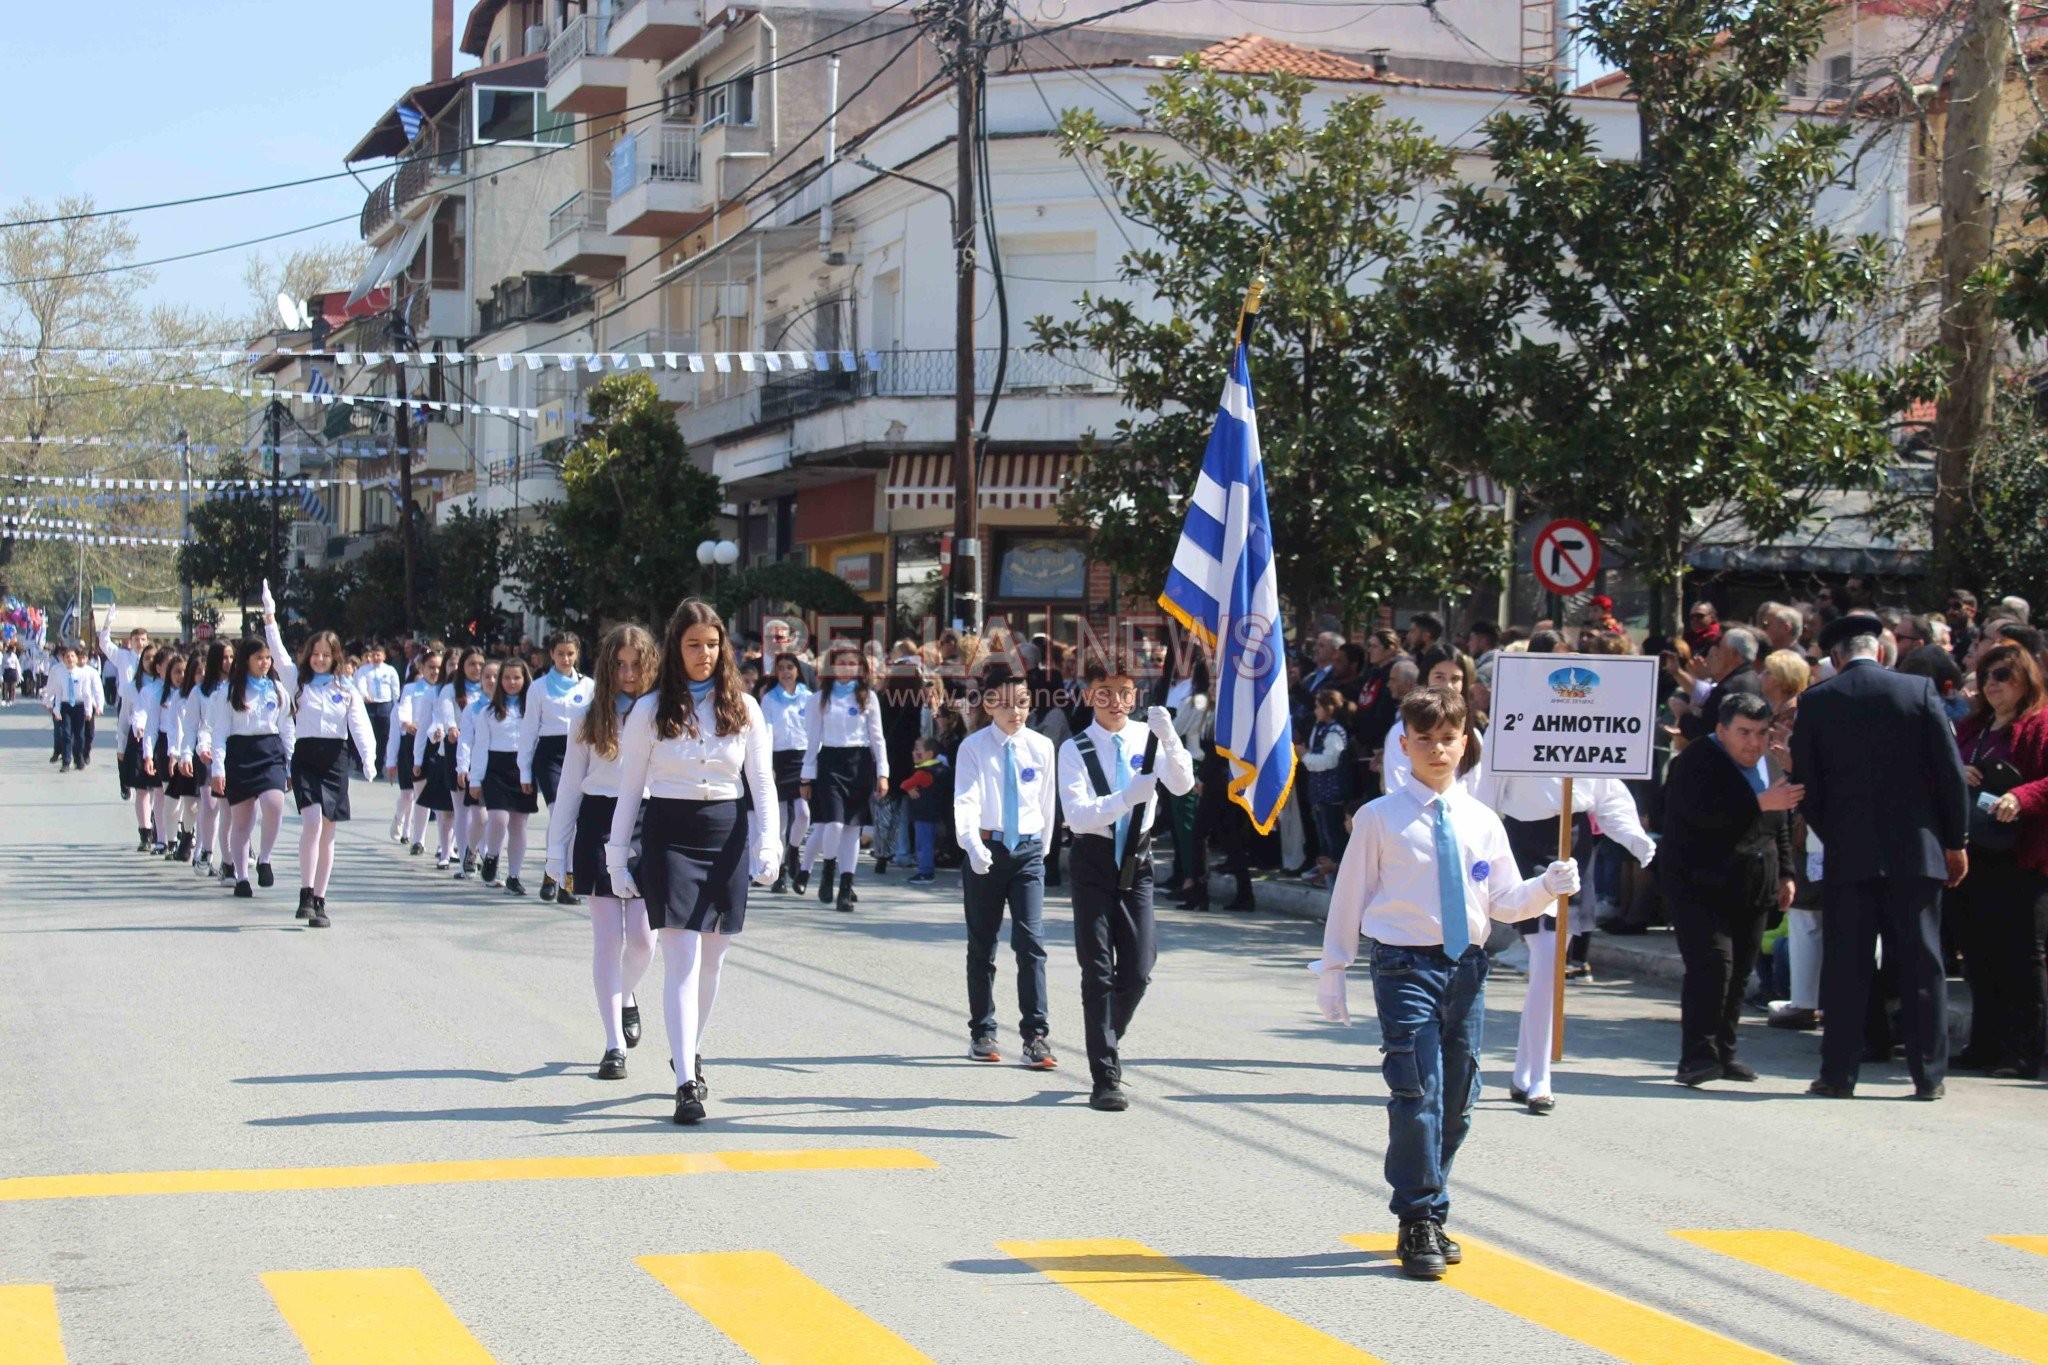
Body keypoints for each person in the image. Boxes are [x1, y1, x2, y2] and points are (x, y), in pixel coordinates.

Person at [1314, 686, 1580, 1279]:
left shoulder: (1482, 820)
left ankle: (1427, 1190)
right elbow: (1350, 895)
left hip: (1467, 968)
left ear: (1466, 744)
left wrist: (1547, 885)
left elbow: (1505, 902)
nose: (1438, 750)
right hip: (1405, 965)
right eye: (1425, 739)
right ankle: (1420, 1215)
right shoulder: (1381, 818)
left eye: (1449, 739)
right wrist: (1334, 969)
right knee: (1419, 1090)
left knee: (1458, 1099)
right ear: (1404, 744)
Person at [605, 598, 779, 1125]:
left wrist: (769, 844)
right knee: (680, 957)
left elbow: (763, 783)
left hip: (726, 832)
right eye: (692, 645)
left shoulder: (744, 707)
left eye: (712, 644)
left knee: (714, 959)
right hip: (670, 834)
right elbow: (630, 789)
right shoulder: (649, 709)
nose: (704, 654)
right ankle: (684, 1082)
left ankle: (692, 1049)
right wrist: (618, 857)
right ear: (675, 649)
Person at [1792, 613, 1970, 1100]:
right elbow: (1949, 775)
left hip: (1851, 856)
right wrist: (1955, 840)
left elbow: (1807, 788)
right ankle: (1928, 1077)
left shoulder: (1817, 700)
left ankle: (1838, 1074)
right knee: (1922, 965)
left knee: (1847, 967)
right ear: (1883, 651)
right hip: (1917, 853)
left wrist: (1837, 835)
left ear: (1835, 657)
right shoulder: (1919, 692)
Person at [1056, 667, 1195, 1112]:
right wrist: (1125, 798)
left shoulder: (1147, 738)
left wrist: (1169, 736)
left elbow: (1182, 784)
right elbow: (1078, 817)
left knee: (1137, 969)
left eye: (1124, 693)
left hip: (1138, 860)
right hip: (1093, 861)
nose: (1116, 701)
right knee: (1097, 972)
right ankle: (1105, 1074)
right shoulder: (1074, 748)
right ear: (1089, 695)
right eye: (1105, 693)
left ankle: (1106, 1036)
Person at [1660, 693, 1803, 1085]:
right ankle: (1696, 1059)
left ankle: (1725, 1053)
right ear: (1721, 730)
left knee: (1740, 973)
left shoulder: (1768, 764)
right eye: (1743, 732)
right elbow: (1704, 815)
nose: (1753, 742)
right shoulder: (1695, 762)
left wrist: (1787, 873)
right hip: (1699, 886)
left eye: (1760, 732)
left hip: (1753, 885)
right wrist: (1758, 802)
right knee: (1712, 967)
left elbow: (1782, 823)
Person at [547, 623, 660, 1081]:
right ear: (607, 666)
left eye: (636, 665)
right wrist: (556, 848)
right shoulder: (586, 716)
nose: (628, 674)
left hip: (648, 822)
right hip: (598, 821)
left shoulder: (662, 715)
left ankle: (627, 993)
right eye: (619, 665)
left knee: (643, 940)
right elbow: (570, 786)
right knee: (607, 938)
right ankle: (613, 1044)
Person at [1951, 643, 2048, 1079]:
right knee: (1979, 954)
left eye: (2003, 677)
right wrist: (1959, 771)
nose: (1992, 685)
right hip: (1976, 857)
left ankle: (2024, 1051)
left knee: (2023, 957)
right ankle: (1985, 1044)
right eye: (1987, 676)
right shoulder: (1974, 727)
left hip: (2023, 858)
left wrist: (2020, 796)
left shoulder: (2039, 725)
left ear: (2025, 680)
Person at [952, 670, 1059, 1067]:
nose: (1016, 711)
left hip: (1028, 851)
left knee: (1031, 944)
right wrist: (973, 844)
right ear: (989, 704)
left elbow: (1047, 801)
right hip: (987, 847)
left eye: (1023, 702)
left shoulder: (1043, 746)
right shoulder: (974, 747)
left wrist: (1044, 847)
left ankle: (1036, 1035)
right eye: (1007, 702)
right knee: (982, 943)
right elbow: (965, 799)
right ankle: (982, 1031)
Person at [202, 593, 293, 899]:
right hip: (239, 754)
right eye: (259, 659)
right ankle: (241, 876)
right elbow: (220, 733)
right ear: (246, 661)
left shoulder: (278, 690)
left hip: (269, 753)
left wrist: (290, 762)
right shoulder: (227, 693)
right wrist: (217, 768)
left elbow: (286, 728)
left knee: (274, 804)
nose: (265, 664)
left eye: (268, 659)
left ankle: (264, 858)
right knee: (242, 820)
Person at [286, 627, 377, 928]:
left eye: (326, 655)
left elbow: (360, 725)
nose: (320, 659)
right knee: (311, 823)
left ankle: (320, 901)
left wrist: (368, 758)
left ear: (335, 657)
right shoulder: (298, 683)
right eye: (315, 654)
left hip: (335, 760)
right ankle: (305, 893)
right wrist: (271, 618)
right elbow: (276, 650)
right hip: (306, 757)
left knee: (328, 831)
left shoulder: (345, 688)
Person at [799, 643, 890, 913]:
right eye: (842, 663)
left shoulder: (868, 697)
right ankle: (827, 870)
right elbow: (812, 740)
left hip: (859, 763)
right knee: (833, 824)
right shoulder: (819, 699)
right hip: (830, 763)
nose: (847, 668)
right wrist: (806, 777)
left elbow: (877, 738)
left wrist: (883, 773)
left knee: (852, 829)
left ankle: (846, 888)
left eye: (853, 663)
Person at [519, 631, 595, 905]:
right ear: (551, 654)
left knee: (574, 821)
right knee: (559, 814)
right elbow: (528, 731)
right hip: (550, 756)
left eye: (570, 653)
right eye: (560, 653)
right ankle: (552, 873)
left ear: (577, 655)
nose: (565, 658)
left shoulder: (589, 686)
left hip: (579, 753)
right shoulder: (538, 688)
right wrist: (524, 771)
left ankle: (567, 881)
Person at [469, 658, 537, 893]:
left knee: (518, 825)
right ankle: (491, 856)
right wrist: (475, 779)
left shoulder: (532, 708)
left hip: (523, 769)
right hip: (495, 769)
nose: (511, 682)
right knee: (498, 818)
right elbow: (479, 747)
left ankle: (514, 876)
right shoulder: (488, 712)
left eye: (516, 677)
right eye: (506, 678)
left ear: (525, 679)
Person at [759, 653, 813, 894]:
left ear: (798, 670)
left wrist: (813, 761)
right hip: (780, 760)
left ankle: (793, 849)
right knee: (779, 821)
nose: (785, 672)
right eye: (780, 668)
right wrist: (767, 763)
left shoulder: (809, 697)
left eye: (790, 667)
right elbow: (766, 732)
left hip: (803, 759)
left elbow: (814, 732)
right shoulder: (769, 699)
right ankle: (779, 872)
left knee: (803, 813)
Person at [386, 653, 440, 851]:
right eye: (431, 667)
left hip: (439, 742)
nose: (435, 672)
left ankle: (445, 845)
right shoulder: (411, 688)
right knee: (417, 793)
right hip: (415, 740)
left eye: (438, 668)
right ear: (422, 668)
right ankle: (417, 838)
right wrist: (407, 723)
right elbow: (403, 709)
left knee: (442, 795)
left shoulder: (446, 690)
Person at [188, 640, 232, 878]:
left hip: (233, 753)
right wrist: (194, 750)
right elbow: (195, 725)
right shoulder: (201, 691)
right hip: (207, 755)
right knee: (211, 804)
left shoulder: (240, 686)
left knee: (234, 808)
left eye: (232, 657)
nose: (229, 662)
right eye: (224, 657)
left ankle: (234, 853)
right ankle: (206, 850)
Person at [451, 653, 496, 879]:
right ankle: (471, 849)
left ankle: (491, 861)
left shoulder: (516, 707)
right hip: (478, 768)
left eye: (496, 676)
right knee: (480, 817)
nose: (491, 681)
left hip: (502, 770)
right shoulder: (473, 709)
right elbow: (465, 739)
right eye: (487, 676)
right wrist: (462, 767)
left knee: (499, 819)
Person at [1676, 626, 1763, 742]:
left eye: (1721, 649)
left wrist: (1683, 714)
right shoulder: (1753, 678)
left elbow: (1707, 731)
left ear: (1734, 654)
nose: (1718, 653)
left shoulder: (1729, 688)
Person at [902, 737, 950, 886]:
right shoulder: (941, 769)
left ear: (929, 754)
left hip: (923, 815)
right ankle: (927, 870)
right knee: (928, 844)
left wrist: (909, 788)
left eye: (918, 750)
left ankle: (925, 873)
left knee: (923, 845)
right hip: (935, 814)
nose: (914, 753)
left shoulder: (924, 773)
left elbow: (905, 784)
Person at [356, 642, 401, 780]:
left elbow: (395, 689)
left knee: (383, 737)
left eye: (378, 654)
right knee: (369, 735)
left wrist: (397, 705)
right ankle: (365, 763)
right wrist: (364, 695)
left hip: (385, 705)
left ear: (384, 656)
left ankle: (379, 764)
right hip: (370, 705)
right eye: (373, 655)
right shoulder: (364, 670)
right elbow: (360, 684)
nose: (375, 657)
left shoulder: (390, 670)